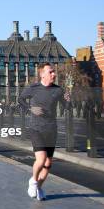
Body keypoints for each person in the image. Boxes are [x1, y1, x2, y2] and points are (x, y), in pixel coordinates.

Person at [18, 63, 69, 201]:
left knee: (48, 164)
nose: (54, 74)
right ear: (42, 74)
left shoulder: (58, 90)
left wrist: (69, 101)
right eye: (51, 72)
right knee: (41, 160)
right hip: (36, 128)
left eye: (54, 72)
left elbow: (67, 106)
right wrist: (30, 109)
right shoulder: (33, 88)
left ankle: (39, 187)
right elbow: (20, 99)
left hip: (51, 129)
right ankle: (33, 181)